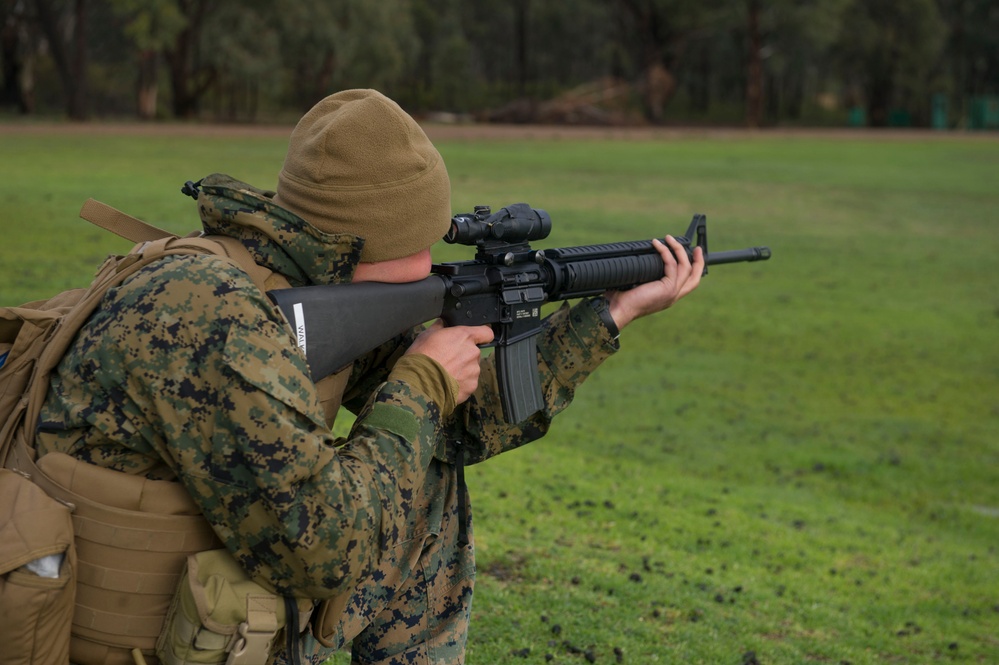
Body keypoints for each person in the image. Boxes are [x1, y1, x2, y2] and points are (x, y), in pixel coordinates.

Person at [33, 89, 703, 664]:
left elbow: (462, 427)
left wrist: (609, 315)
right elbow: (323, 553)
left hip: (181, 596)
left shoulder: (279, 273)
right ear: (352, 243)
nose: (427, 262)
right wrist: (417, 383)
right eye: (410, 246)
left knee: (429, 465)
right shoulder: (215, 319)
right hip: (131, 635)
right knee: (408, 454)